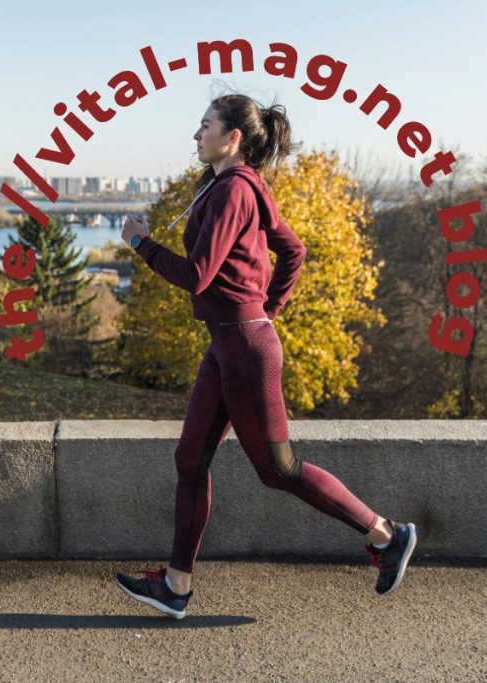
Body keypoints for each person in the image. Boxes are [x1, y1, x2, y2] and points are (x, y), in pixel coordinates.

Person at [112, 94, 417, 620]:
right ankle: (176, 585)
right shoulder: (232, 185)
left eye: (204, 125)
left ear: (231, 137)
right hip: (229, 341)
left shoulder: (234, 189)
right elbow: (292, 251)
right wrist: (265, 310)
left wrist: (141, 243)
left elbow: (197, 275)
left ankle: (387, 535)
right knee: (190, 460)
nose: (196, 135)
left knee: (279, 469)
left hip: (245, 348)